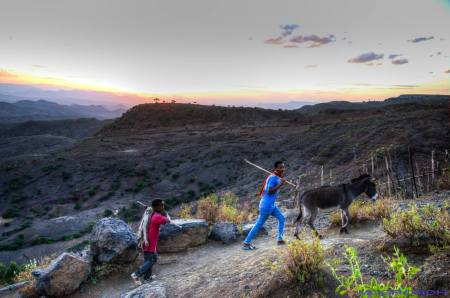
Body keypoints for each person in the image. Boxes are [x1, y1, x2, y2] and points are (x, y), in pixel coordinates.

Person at [242, 161, 287, 250]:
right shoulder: (273, 178)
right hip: (266, 206)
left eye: (283, 167)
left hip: (272, 205)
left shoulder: (277, 177)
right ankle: (246, 243)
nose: (282, 169)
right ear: (276, 169)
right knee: (259, 224)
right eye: (280, 167)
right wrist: (281, 184)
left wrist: (280, 182)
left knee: (282, 218)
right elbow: (269, 191)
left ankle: (280, 239)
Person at [131, 199, 170, 284]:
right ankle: (136, 274)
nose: (163, 207)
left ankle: (147, 278)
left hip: (149, 242)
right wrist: (165, 212)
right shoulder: (156, 216)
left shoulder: (151, 213)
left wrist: (149, 208)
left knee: (151, 259)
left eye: (163, 205)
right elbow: (168, 220)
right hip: (148, 242)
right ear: (156, 207)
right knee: (151, 260)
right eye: (161, 205)